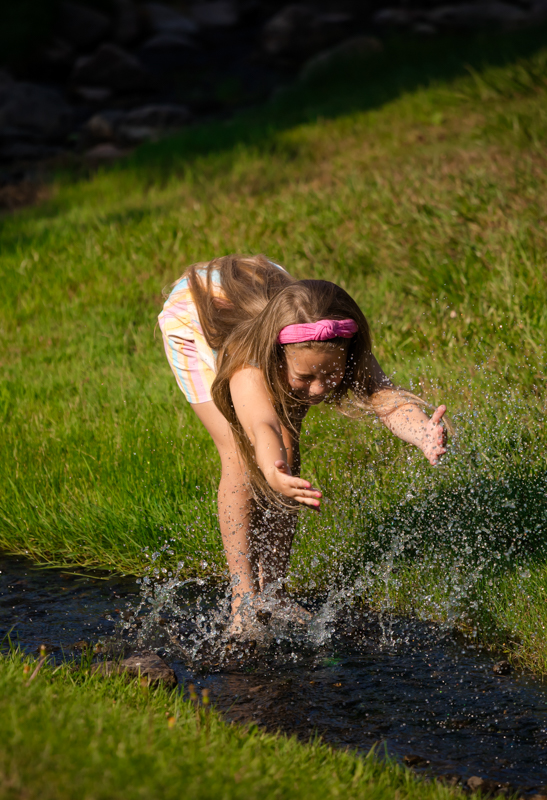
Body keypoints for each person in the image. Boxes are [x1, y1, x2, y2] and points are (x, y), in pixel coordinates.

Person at [158, 254, 448, 635]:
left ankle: (273, 592)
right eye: (306, 376)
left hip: (257, 279)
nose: (318, 389)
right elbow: (261, 427)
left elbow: (387, 400)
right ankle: (243, 601)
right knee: (240, 454)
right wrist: (271, 472)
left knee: (289, 445)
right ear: (278, 355)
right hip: (195, 311)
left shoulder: (325, 335)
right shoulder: (249, 365)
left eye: (331, 374)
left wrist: (423, 432)